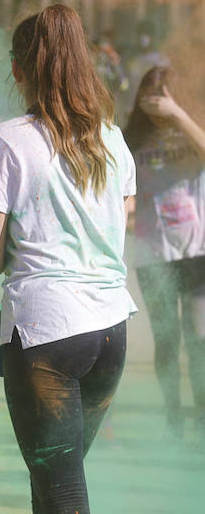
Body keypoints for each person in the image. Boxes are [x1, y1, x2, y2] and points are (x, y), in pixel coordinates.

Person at [0, 4, 136, 513]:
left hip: (46, 331)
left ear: (19, 70)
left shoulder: (7, 139)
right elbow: (124, 213)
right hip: (111, 330)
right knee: (53, 481)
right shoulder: (112, 138)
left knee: (61, 490)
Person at [124, 66, 205, 440]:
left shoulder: (191, 131)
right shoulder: (132, 139)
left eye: (164, 96)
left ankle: (202, 415)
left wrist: (178, 114)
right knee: (167, 340)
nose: (158, 105)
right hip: (152, 254)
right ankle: (173, 417)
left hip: (196, 252)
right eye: (151, 98)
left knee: (199, 337)